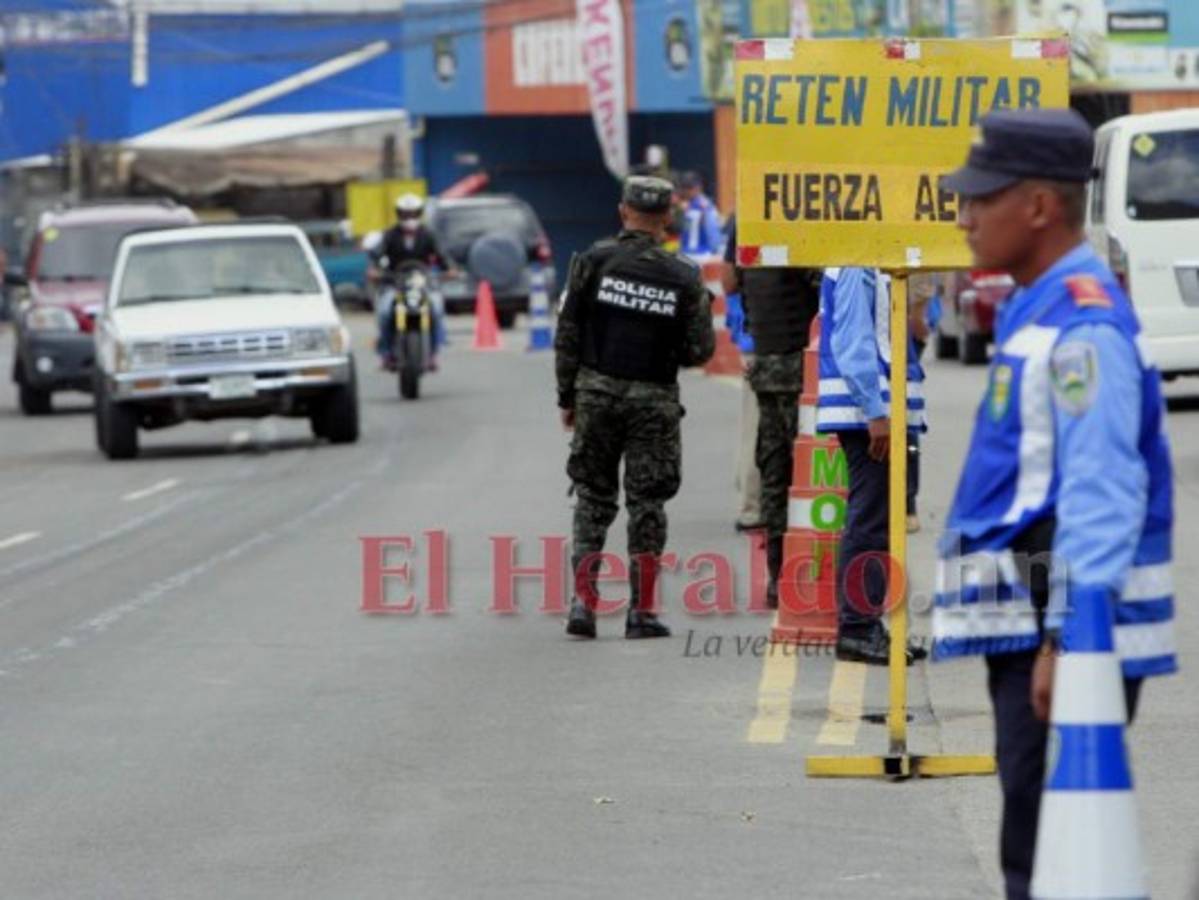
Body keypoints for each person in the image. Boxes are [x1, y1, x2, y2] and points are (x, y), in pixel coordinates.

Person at [931, 108, 1177, 900]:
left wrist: (1065, 642)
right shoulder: (1037, 304)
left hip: (1061, 622)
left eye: (980, 198)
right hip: (1033, 620)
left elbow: (1099, 491)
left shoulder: (1081, 322)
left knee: (1048, 851)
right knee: (1035, 836)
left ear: (1037, 205)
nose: (964, 217)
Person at [556, 175, 716, 639]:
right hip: (654, 400)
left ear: (623, 211)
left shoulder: (593, 261)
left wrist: (568, 397)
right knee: (647, 504)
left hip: (596, 394)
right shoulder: (684, 275)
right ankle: (641, 613)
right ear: (667, 218)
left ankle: (583, 604)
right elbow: (700, 350)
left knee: (592, 497)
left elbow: (568, 334)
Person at [816, 267, 929, 665]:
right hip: (865, 415)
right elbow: (852, 341)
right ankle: (858, 628)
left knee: (880, 521)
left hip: (875, 413)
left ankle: (869, 624)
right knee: (869, 522)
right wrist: (875, 412)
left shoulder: (878, 260)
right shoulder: (855, 263)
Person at [726, 214, 823, 607]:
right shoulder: (801, 229)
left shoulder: (750, 225)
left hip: (766, 368)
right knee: (811, 475)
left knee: (774, 475)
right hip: (800, 371)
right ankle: (810, 574)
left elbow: (734, 282)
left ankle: (777, 577)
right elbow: (826, 292)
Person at [369, 194, 449, 370]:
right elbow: (376, 255)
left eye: (413, 213)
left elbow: (442, 257)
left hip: (423, 284)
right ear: (399, 214)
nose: (409, 218)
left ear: (419, 214)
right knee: (384, 312)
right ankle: (386, 353)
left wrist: (450, 269)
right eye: (405, 214)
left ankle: (433, 354)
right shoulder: (390, 235)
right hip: (395, 283)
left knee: (436, 310)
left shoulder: (428, 234)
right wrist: (374, 270)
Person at [720, 215, 764, 534]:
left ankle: (753, 505)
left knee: (756, 422)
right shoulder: (813, 204)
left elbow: (728, 280)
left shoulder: (748, 209)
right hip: (808, 336)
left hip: (759, 334)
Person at [677, 171, 724, 259]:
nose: (686, 191)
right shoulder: (688, 206)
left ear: (698, 187)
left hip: (701, 255)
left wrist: (715, 253)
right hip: (687, 254)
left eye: (689, 188)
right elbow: (685, 234)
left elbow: (713, 235)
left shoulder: (706, 207)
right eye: (684, 188)